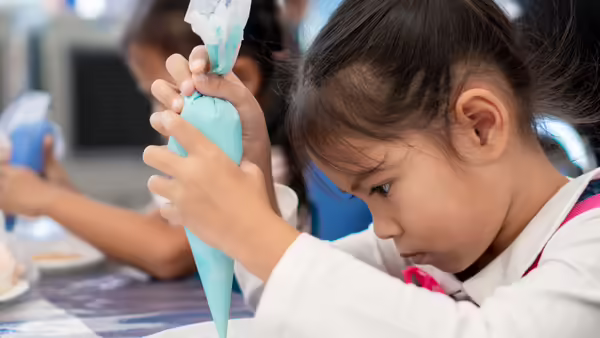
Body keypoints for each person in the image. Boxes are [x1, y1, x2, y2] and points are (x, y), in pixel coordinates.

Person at [145, 0, 600, 336]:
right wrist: (249, 163)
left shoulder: (590, 242)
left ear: (480, 126)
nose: (381, 230)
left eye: (381, 188)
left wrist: (250, 230)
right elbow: (292, 304)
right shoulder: (436, 246)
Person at [0, 0, 302, 280]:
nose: (156, 114)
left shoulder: (262, 166)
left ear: (242, 78)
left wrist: (46, 200)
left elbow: (166, 252)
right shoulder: (206, 159)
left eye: (166, 94)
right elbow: (139, 233)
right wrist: (58, 190)